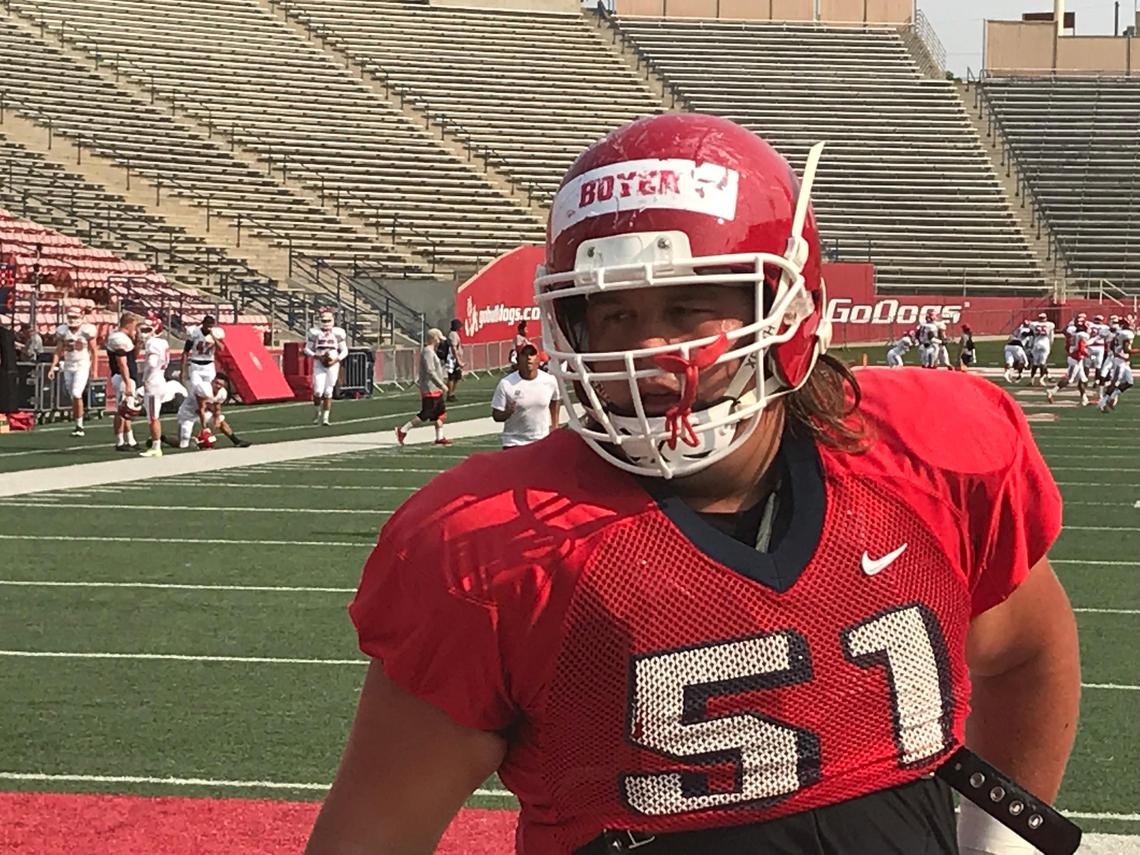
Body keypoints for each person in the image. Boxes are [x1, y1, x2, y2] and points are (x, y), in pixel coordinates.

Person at [307, 115, 1079, 855]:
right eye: (612, 314)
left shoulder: (921, 458)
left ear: (786, 309)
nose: (647, 350)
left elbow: (1027, 654)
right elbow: (371, 838)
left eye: (686, 308)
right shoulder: (494, 545)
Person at [490, 343, 561, 449]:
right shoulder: (506, 383)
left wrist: (555, 425)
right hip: (514, 442)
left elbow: (555, 399)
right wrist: (507, 413)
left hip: (541, 441)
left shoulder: (549, 381)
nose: (528, 358)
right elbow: (496, 415)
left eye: (532, 354)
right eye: (524, 354)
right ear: (518, 359)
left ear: (538, 359)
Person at [47, 306, 99, 437]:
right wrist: (53, 366)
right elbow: (59, 350)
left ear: (81, 317)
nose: (72, 320)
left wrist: (94, 370)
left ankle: (80, 426)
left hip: (82, 364)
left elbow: (94, 351)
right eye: (70, 317)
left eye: (75, 317)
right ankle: (77, 423)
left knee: (76, 393)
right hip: (68, 365)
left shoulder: (87, 330)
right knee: (72, 395)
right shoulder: (62, 330)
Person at [395, 328, 450, 447]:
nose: (440, 342)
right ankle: (403, 430)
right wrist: (441, 384)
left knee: (440, 413)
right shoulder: (427, 352)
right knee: (426, 413)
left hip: (436, 389)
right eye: (438, 339)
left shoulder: (431, 351)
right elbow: (430, 371)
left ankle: (439, 437)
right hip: (430, 388)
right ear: (434, 338)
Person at [169, 373, 251, 449]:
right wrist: (205, 429)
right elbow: (201, 409)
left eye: (221, 385)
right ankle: (166, 439)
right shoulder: (204, 388)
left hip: (204, 411)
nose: (218, 386)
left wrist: (216, 419)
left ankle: (236, 441)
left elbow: (217, 408)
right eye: (217, 383)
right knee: (183, 444)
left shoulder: (222, 393)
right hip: (188, 413)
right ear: (212, 382)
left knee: (221, 421)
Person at [180, 313, 225, 428]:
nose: (209, 328)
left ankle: (210, 413)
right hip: (195, 364)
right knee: (197, 390)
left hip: (209, 365)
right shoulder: (194, 332)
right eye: (207, 325)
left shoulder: (215, 333)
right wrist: (183, 370)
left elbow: (222, 348)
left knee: (211, 391)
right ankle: (198, 411)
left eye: (211, 326)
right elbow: (185, 352)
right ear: (203, 324)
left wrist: (213, 336)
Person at [304, 309, 349, 426]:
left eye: (328, 320)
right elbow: (307, 349)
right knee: (318, 391)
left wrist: (336, 359)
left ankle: (325, 418)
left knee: (328, 391)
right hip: (319, 362)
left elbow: (344, 350)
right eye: (324, 320)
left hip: (333, 362)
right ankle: (317, 413)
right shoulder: (315, 333)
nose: (326, 322)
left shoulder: (338, 333)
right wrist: (316, 356)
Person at [106, 312, 140, 452]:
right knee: (122, 410)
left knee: (127, 410)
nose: (136, 329)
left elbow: (133, 357)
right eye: (135, 326)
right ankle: (120, 441)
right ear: (129, 324)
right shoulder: (118, 339)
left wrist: (136, 342)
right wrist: (127, 383)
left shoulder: (124, 338)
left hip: (127, 377)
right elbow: (122, 364)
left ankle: (130, 440)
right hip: (122, 377)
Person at [443, 318, 464, 401]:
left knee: (457, 376)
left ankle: (452, 393)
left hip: (454, 358)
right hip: (451, 359)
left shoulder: (454, 334)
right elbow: (453, 348)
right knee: (452, 377)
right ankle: (450, 394)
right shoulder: (453, 335)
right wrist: (458, 360)